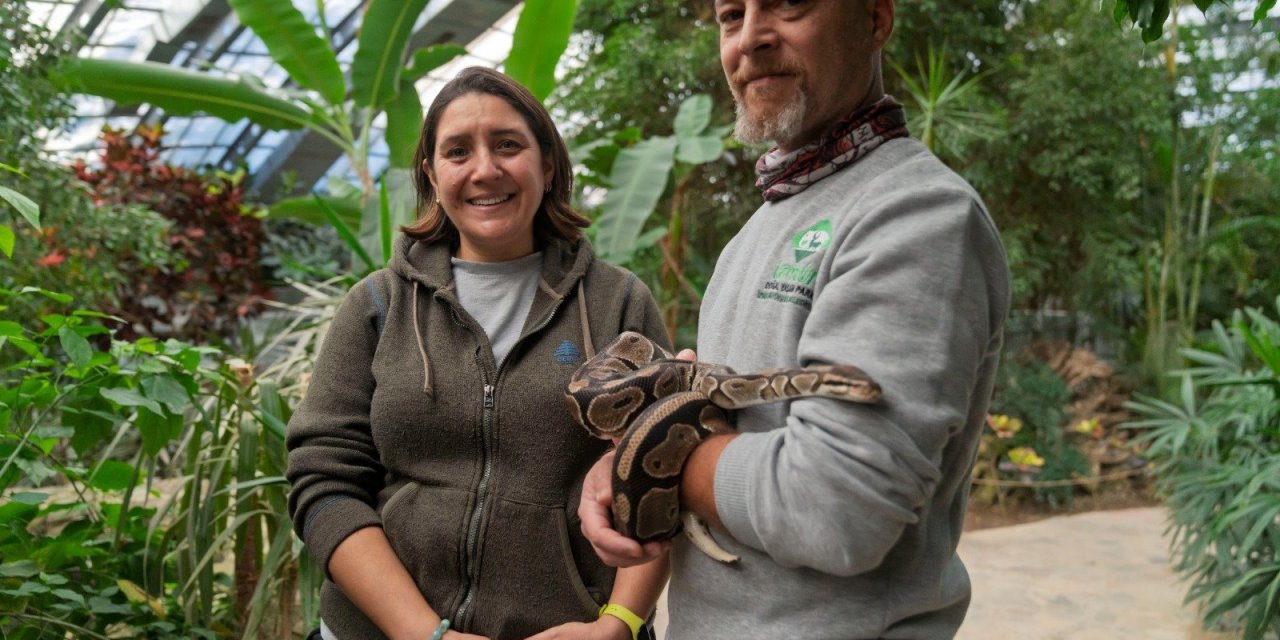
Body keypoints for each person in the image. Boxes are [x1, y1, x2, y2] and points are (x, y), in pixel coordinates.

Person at [578, 1, 1011, 638]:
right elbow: (732, 425)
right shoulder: (759, 228)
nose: (750, 38)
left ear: (875, 19)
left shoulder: (918, 213)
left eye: (788, 3)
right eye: (732, 15)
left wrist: (645, 451)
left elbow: (834, 510)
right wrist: (632, 455)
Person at [287, 67, 670, 640]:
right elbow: (324, 481)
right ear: (431, 174)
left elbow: (661, 472)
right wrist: (423, 633)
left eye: (508, 145)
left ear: (547, 164)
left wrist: (620, 623)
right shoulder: (378, 304)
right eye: (458, 151)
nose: (485, 169)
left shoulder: (618, 304)